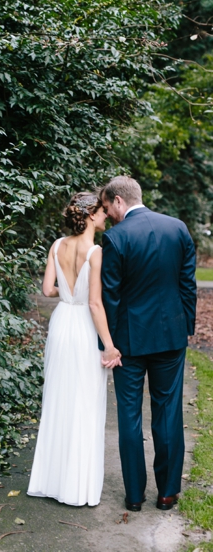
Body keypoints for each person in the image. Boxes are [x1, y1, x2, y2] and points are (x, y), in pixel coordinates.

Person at [99, 176, 196, 512]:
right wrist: (187, 327)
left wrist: (107, 343)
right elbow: (187, 284)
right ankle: (167, 493)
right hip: (171, 337)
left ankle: (135, 495)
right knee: (168, 412)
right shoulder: (177, 228)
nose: (108, 213)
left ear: (118, 200)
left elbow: (109, 296)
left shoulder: (114, 238)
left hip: (128, 342)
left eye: (108, 206)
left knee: (129, 415)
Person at [27, 192, 121, 506]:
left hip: (61, 321)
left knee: (57, 397)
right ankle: (76, 487)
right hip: (81, 325)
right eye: (102, 211)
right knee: (84, 401)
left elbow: (46, 289)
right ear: (91, 215)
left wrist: (66, 293)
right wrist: (109, 346)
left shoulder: (57, 245)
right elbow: (95, 303)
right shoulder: (95, 252)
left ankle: (51, 480)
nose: (106, 215)